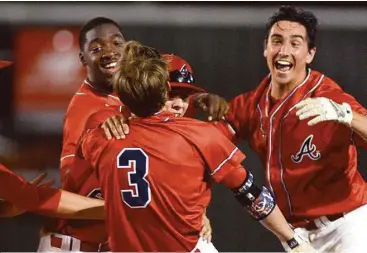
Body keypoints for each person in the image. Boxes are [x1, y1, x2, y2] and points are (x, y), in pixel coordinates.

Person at [77, 40, 316, 252]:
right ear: (159, 91)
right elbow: (250, 192)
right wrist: (292, 239)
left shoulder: (102, 136)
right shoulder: (199, 135)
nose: (179, 103)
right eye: (172, 93)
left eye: (185, 96)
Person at [39, 17, 226, 252]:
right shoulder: (85, 110)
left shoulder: (131, 93)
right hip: (74, 244)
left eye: (116, 43)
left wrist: (197, 100)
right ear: (82, 58)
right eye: (96, 48)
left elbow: (160, 113)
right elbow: (71, 187)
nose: (109, 52)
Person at [214, 5, 367, 252]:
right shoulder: (250, 105)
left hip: (348, 225)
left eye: (295, 43)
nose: (284, 50)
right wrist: (193, 104)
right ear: (265, 48)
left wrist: (346, 115)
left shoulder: (327, 96)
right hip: (296, 234)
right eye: (277, 41)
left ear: (310, 54)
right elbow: (204, 148)